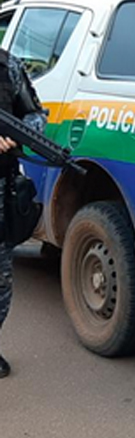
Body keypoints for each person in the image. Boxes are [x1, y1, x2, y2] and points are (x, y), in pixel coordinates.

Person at [0, 51, 46, 379]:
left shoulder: (7, 66)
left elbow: (35, 115)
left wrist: (16, 134)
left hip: (2, 189)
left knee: (1, 281)